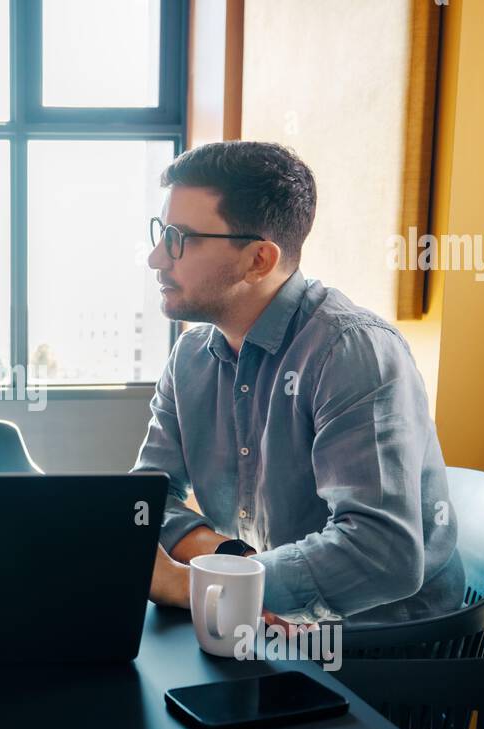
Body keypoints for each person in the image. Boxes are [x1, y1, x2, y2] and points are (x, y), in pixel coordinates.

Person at [136, 141, 464, 629]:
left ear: (259, 261)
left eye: (181, 238)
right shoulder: (189, 359)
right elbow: (145, 504)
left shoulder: (352, 352)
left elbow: (381, 555)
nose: (157, 258)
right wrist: (233, 561)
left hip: (378, 657)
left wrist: (196, 584)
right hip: (262, 629)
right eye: (163, 232)